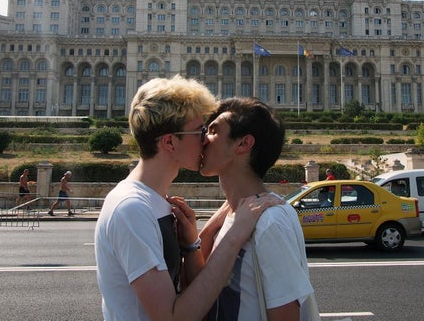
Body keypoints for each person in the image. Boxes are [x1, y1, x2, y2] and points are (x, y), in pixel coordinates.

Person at [94, 75, 281, 321]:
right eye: (199, 131)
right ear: (170, 142)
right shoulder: (131, 209)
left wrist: (194, 243)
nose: (205, 139)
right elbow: (173, 317)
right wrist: (236, 233)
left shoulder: (156, 201)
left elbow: (185, 290)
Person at [198, 97, 318, 321]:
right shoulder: (233, 214)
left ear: (243, 144)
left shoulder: (269, 222)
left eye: (213, 131)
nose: (203, 139)